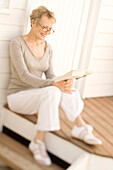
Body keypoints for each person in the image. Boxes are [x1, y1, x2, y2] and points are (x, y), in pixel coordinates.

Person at [7, 6, 102, 166]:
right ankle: (38, 141)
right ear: (33, 22)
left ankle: (80, 127)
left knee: (67, 89)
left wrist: (64, 81)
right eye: (44, 27)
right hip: (18, 96)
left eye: (50, 29)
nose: (46, 32)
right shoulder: (17, 44)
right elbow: (24, 76)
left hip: (39, 96)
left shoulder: (48, 48)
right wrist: (53, 83)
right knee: (52, 90)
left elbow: (51, 76)